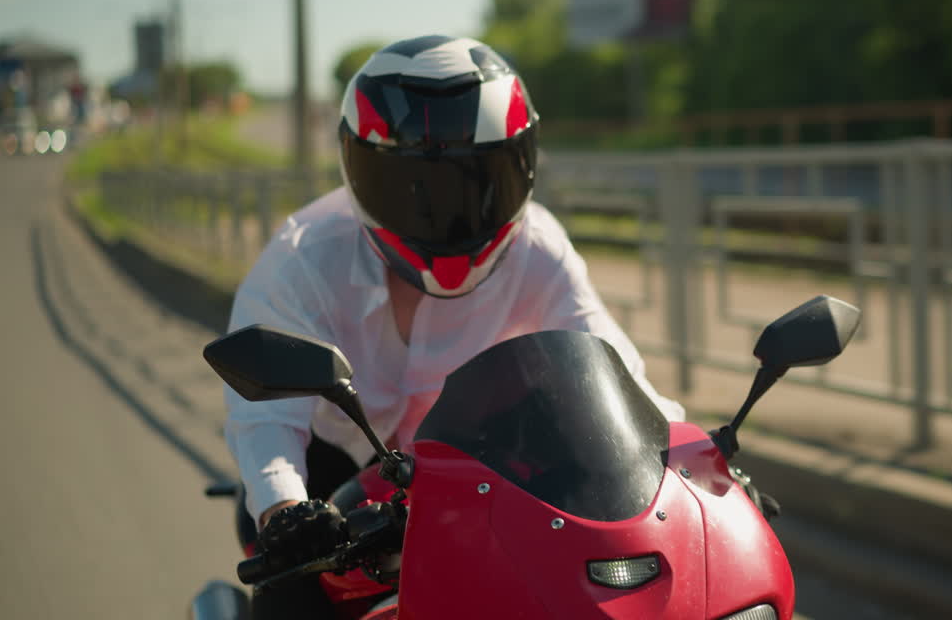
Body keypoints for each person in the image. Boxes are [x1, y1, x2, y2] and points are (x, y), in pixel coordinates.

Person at [222, 35, 686, 618]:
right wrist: (285, 509)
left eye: (477, 184)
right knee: (291, 597)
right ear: (357, 171)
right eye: (415, 188)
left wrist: (694, 462)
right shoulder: (303, 257)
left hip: (471, 472)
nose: (446, 212)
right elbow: (266, 421)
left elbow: (616, 368)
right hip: (330, 473)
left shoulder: (538, 247)